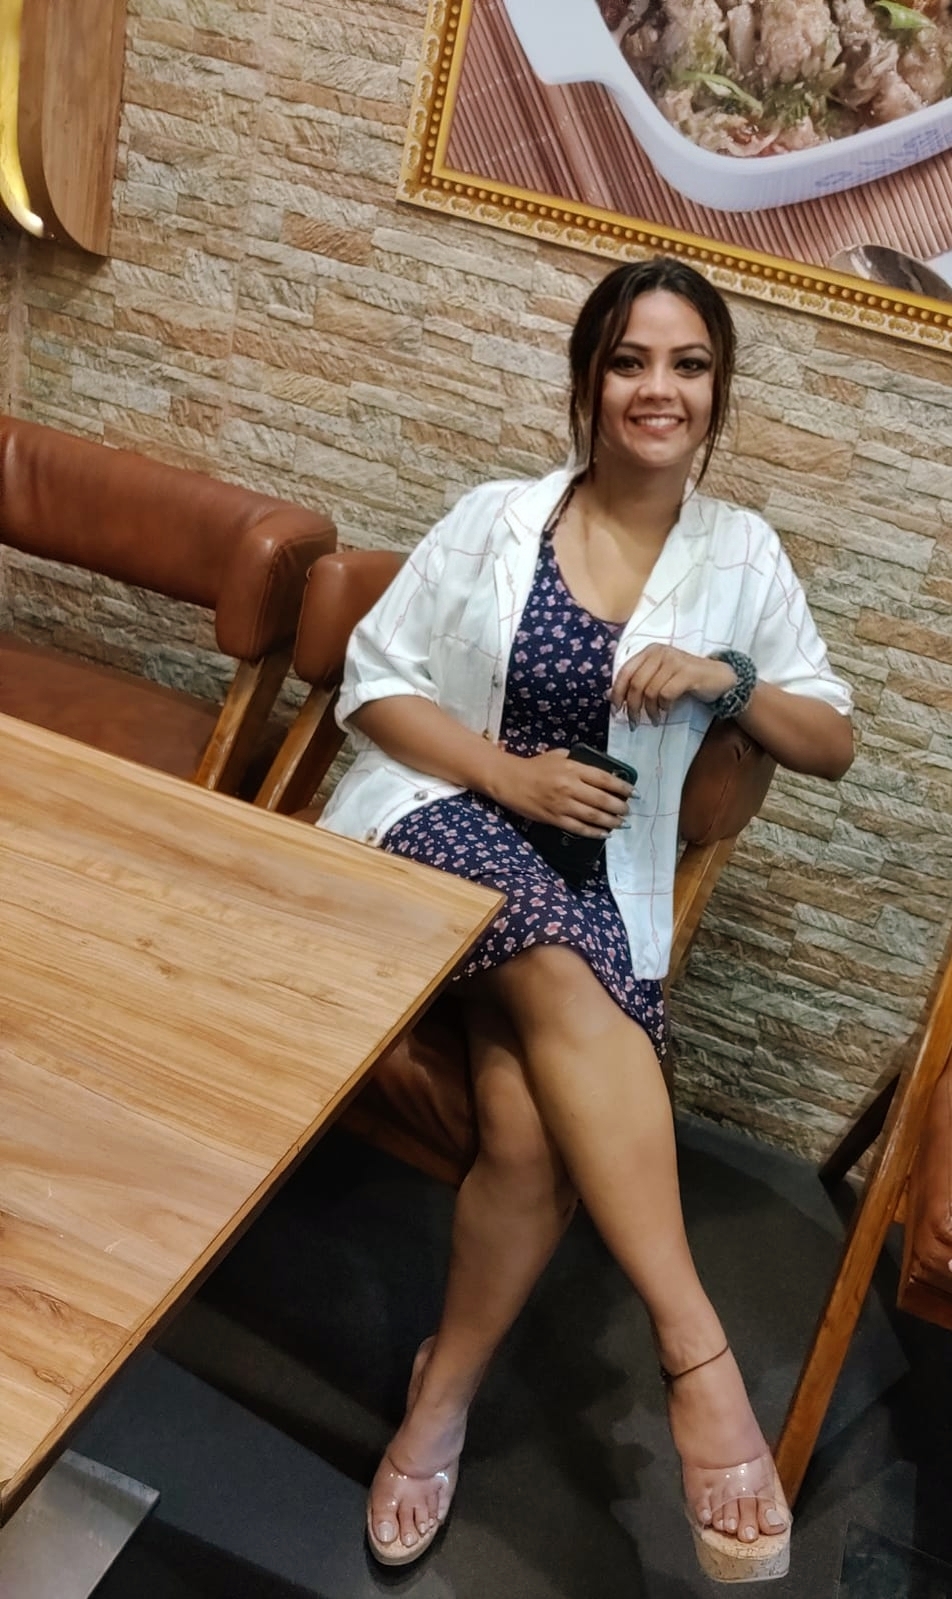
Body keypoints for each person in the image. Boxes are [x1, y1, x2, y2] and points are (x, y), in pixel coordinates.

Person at [319, 256, 854, 1583]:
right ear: (588, 383)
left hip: (599, 883)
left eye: (688, 364)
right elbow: (374, 682)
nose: (657, 389)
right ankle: (699, 1358)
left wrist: (730, 680)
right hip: (442, 821)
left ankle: (440, 1399)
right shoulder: (498, 518)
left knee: (528, 1131)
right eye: (628, 361)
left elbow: (831, 740)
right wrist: (506, 776)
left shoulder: (742, 554)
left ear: (717, 392)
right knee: (557, 965)